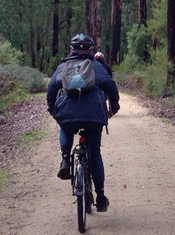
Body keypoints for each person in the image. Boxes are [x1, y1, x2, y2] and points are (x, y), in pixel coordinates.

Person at [46, 33, 120, 212]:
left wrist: (52, 108)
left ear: (71, 49)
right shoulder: (95, 66)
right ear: (90, 50)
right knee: (94, 152)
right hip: (93, 116)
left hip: (68, 114)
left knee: (65, 128)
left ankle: (65, 160)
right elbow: (109, 84)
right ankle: (101, 196)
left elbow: (52, 87)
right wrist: (114, 105)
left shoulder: (63, 66)